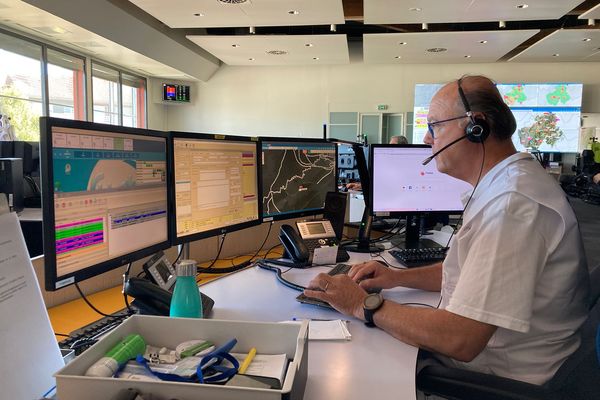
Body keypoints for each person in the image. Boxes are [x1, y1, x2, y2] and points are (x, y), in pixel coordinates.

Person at [305, 75, 590, 385]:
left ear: (475, 127)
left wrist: (361, 304)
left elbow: (461, 339)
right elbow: (468, 272)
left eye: (434, 126)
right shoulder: (507, 186)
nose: (427, 140)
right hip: (501, 363)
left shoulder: (511, 207)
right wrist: (396, 278)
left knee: (344, 368)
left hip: (498, 378)